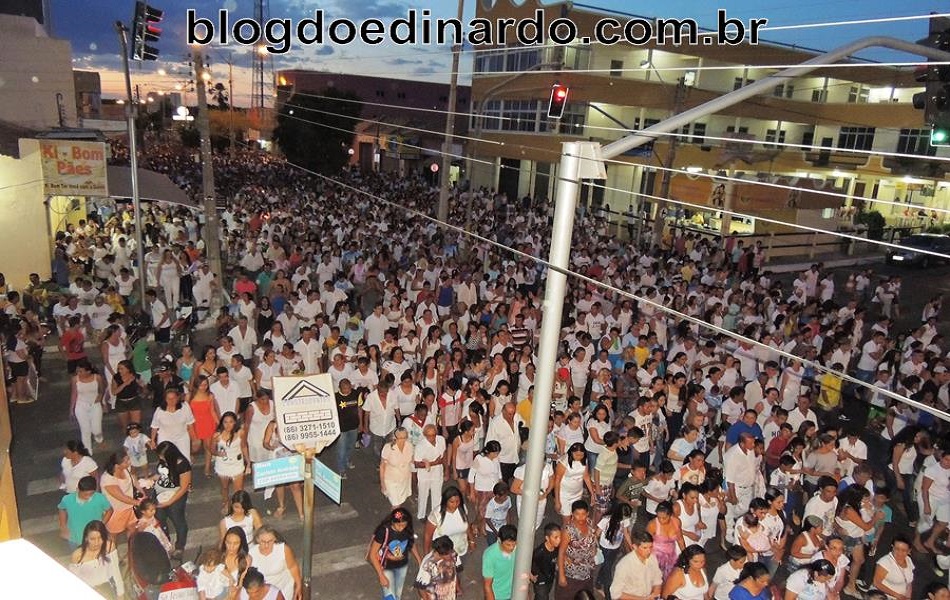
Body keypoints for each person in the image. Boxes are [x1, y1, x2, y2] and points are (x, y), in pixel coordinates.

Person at [368, 508, 422, 600]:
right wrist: (381, 575)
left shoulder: (407, 529)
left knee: (397, 595)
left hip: (402, 566)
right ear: (393, 522)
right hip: (386, 567)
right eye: (399, 525)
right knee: (390, 596)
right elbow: (372, 554)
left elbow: (411, 544)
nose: (401, 528)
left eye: (404, 525)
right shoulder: (383, 531)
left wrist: (420, 560)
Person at [153, 440, 193, 558]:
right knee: (159, 517)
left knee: (178, 519)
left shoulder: (182, 464)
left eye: (163, 456)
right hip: (160, 493)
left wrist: (170, 502)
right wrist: (151, 479)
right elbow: (163, 475)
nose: (161, 458)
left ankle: (180, 546)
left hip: (175, 495)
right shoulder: (163, 461)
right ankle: (166, 543)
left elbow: (184, 487)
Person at [68, 520, 124, 599]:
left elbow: (115, 571)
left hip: (107, 589)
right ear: (86, 538)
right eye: (92, 539)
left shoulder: (109, 547)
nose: (97, 542)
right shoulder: (77, 555)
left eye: (100, 538)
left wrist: (120, 594)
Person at [556, 499, 597, 600]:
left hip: (587, 569)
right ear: (572, 514)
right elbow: (561, 552)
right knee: (567, 596)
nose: (581, 517)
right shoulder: (569, 531)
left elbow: (593, 537)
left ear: (587, 514)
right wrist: (561, 575)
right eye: (577, 514)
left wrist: (594, 549)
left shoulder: (590, 523)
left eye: (583, 514)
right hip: (572, 572)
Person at [248, 525, 303, 600]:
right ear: (257, 540)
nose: (266, 545)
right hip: (263, 592)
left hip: (284, 589)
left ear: (275, 539)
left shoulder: (284, 550)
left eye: (270, 541)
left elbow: (293, 567)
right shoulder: (251, 553)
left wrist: (299, 585)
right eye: (263, 541)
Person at [58, 476, 112, 549]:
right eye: (85, 494)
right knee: (76, 554)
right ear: (77, 490)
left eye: (91, 494)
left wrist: (101, 524)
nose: (88, 496)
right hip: (74, 536)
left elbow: (109, 510)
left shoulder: (100, 498)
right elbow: (62, 509)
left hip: (95, 537)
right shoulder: (67, 499)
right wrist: (63, 526)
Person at [609, 530, 663, 600]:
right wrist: (643, 599)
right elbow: (615, 594)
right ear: (635, 546)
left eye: (651, 547)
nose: (649, 551)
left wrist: (655, 595)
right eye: (645, 548)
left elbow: (657, 580)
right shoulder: (624, 565)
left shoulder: (652, 558)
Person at [424, 487, 473, 562]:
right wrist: (427, 555)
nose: (455, 504)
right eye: (451, 502)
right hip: (444, 553)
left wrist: (471, 541)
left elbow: (467, 525)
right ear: (445, 501)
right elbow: (428, 536)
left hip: (461, 547)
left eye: (457, 501)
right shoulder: (436, 514)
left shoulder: (462, 508)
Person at [100, 450, 141, 538]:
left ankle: (131, 547)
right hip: (116, 511)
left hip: (130, 508)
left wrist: (141, 491)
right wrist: (139, 503)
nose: (129, 462)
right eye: (126, 461)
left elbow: (133, 479)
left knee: (133, 530)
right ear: (117, 465)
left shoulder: (126, 469)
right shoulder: (107, 479)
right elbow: (121, 497)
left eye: (128, 459)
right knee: (113, 535)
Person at [212, 412, 248, 514]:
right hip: (223, 465)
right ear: (222, 423)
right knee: (225, 487)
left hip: (237, 464)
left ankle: (238, 508)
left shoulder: (241, 432)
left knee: (238, 490)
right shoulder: (217, 435)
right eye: (225, 422)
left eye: (231, 422)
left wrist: (248, 462)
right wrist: (218, 453)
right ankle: (226, 503)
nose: (228, 425)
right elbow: (212, 450)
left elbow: (244, 446)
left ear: (235, 422)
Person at [151, 389, 197, 463]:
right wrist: (153, 440)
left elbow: (190, 424)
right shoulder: (159, 411)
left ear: (178, 398)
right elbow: (154, 427)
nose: (171, 401)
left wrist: (194, 439)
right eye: (168, 398)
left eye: (173, 398)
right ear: (165, 399)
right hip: (165, 438)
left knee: (184, 460)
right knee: (167, 461)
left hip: (182, 437)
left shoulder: (185, 407)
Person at [554, 442, 596, 523]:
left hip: (577, 493)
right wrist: (557, 500)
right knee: (567, 521)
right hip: (564, 494)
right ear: (571, 452)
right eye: (576, 455)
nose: (579, 457)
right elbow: (557, 480)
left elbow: (586, 477)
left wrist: (592, 493)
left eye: (581, 455)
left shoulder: (584, 460)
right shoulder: (564, 461)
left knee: (575, 518)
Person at [70, 359, 106, 451]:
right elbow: (74, 394)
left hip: (95, 405)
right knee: (85, 430)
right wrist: (72, 409)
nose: (78, 373)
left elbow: (102, 389)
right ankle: (87, 450)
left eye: (81, 371)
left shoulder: (97, 377)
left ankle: (99, 439)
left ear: (88, 371)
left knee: (96, 428)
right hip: (81, 405)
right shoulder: (75, 379)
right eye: (78, 371)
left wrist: (101, 398)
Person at [415, 424, 447, 521]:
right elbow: (417, 464)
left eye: (433, 435)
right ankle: (421, 515)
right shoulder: (420, 446)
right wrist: (434, 463)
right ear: (425, 435)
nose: (432, 438)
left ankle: (435, 516)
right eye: (429, 436)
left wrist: (446, 469)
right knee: (423, 495)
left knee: (437, 495)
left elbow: (444, 454)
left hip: (437, 473)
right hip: (424, 475)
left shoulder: (441, 440)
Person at [190, 375, 221, 477]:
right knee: (196, 446)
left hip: (208, 422)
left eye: (205, 385)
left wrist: (219, 424)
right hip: (195, 423)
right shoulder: (190, 396)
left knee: (208, 447)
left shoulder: (210, 395)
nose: (204, 387)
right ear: (196, 385)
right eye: (201, 385)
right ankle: (189, 454)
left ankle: (207, 469)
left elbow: (212, 411)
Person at [415, 535, 459, 600]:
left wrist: (457, 587)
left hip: (449, 592)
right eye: (447, 554)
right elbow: (421, 587)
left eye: (451, 551)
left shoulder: (451, 552)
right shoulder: (428, 565)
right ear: (439, 553)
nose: (451, 555)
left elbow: (454, 571)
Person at [380, 426, 414, 508]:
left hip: (404, 479)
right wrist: (382, 483)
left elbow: (412, 460)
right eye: (400, 438)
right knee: (396, 504)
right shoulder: (388, 448)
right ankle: (396, 515)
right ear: (395, 437)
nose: (403, 440)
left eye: (405, 437)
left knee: (399, 502)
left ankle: (395, 515)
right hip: (391, 480)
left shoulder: (409, 446)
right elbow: (382, 466)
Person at [482, 524, 518, 600]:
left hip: (515, 592)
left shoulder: (518, 548)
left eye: (514, 544)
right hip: (498, 596)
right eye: (508, 544)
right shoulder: (490, 555)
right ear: (499, 540)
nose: (512, 548)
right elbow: (487, 585)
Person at [530, 523, 562, 600]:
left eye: (560, 537)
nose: (559, 540)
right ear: (547, 538)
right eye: (556, 537)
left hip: (550, 578)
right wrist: (531, 576)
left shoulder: (556, 548)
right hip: (540, 580)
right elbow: (527, 563)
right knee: (542, 597)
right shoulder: (539, 552)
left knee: (545, 594)